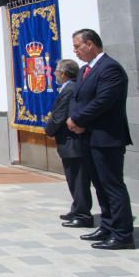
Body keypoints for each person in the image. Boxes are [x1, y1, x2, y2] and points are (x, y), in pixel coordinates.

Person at [67, 28, 135, 250]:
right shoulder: (87, 70)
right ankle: (107, 226)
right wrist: (75, 120)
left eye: (77, 46)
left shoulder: (110, 69)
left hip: (107, 138)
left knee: (112, 185)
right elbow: (79, 97)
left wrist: (77, 119)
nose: (74, 50)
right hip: (89, 137)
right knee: (99, 186)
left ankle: (122, 233)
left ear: (90, 45)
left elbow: (103, 101)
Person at [44, 59, 92, 228]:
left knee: (78, 179)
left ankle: (83, 214)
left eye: (56, 71)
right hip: (68, 141)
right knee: (73, 178)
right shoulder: (69, 87)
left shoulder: (70, 89)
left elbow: (59, 115)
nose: (54, 74)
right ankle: (77, 208)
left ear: (63, 74)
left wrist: (48, 129)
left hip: (73, 141)